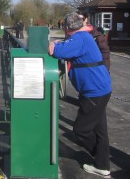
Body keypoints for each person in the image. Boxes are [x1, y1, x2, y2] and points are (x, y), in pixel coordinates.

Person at [48, 12, 112, 178]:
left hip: (94, 92)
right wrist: (59, 44)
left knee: (81, 130)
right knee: (100, 131)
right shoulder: (84, 36)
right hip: (100, 89)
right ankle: (102, 166)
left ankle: (99, 157)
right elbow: (67, 46)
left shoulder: (80, 38)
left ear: (68, 28)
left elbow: (59, 51)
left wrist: (54, 46)